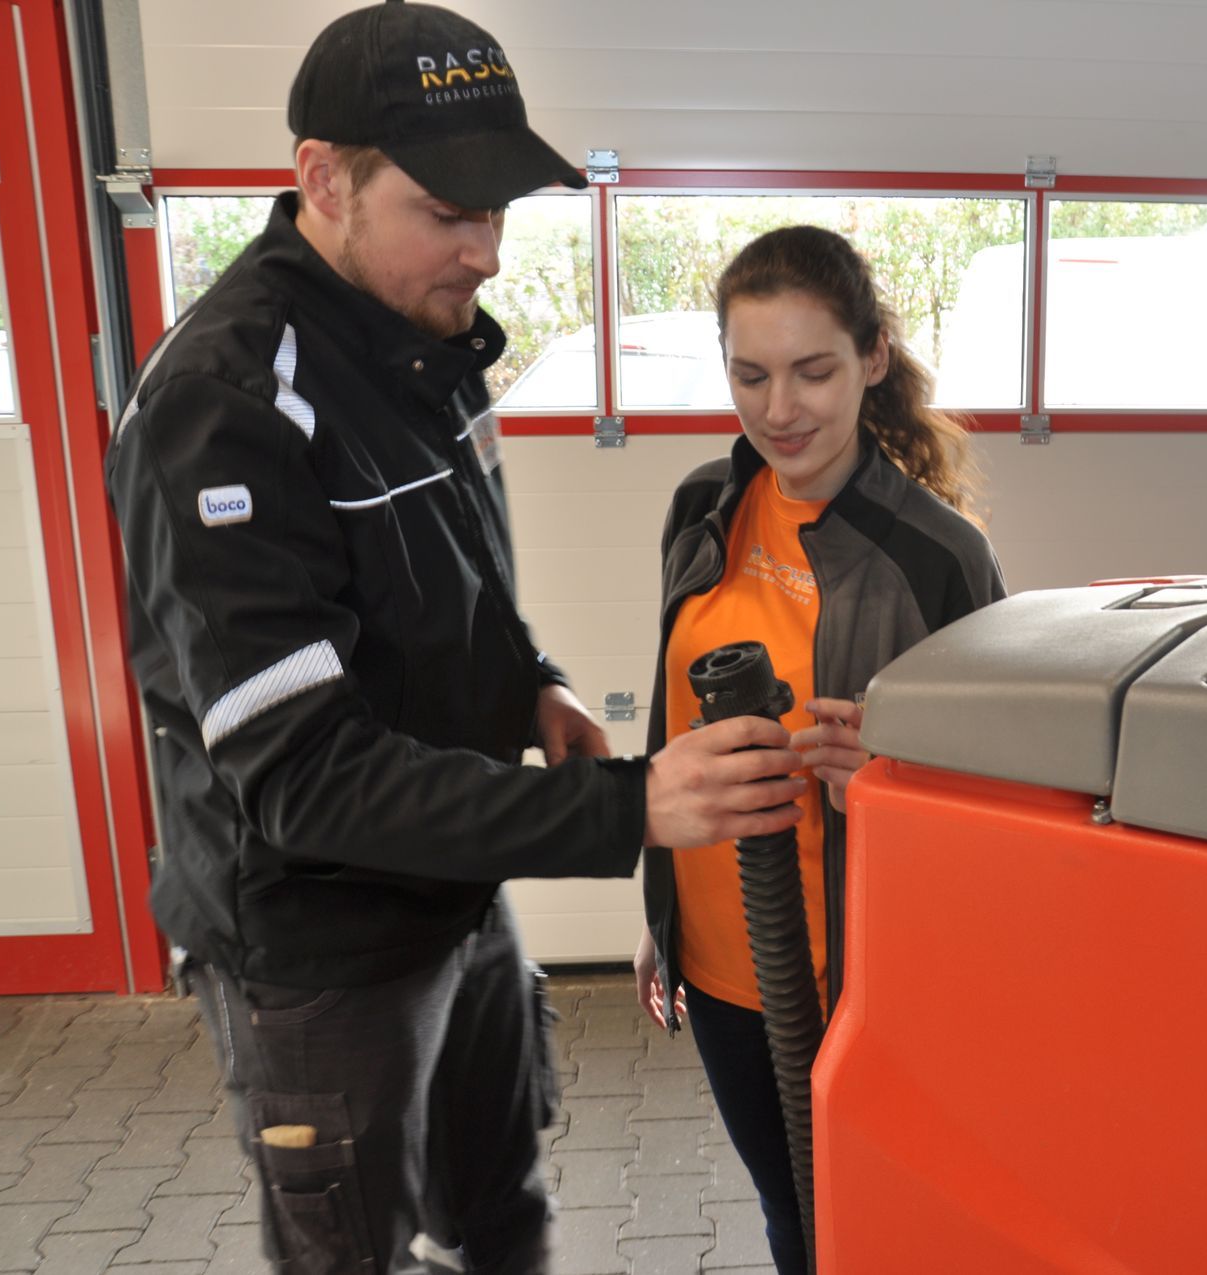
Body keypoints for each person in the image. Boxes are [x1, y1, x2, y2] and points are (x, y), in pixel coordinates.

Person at [103, 5, 806, 1272]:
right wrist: (628, 806)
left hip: (455, 901)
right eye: (448, 212)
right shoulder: (224, 412)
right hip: (322, 952)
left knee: (502, 1217)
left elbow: (451, 580)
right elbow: (306, 777)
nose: (484, 251)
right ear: (324, 177)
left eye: (497, 211)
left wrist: (528, 677)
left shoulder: (425, 344)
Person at [632, 225, 1007, 1272]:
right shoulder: (701, 504)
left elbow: (1005, 796)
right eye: (749, 374)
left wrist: (889, 781)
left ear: (872, 357)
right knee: (788, 1215)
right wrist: (659, 906)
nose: (779, 409)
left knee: (864, 1228)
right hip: (716, 956)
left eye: (812, 371)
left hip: (855, 973)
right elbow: (672, 723)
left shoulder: (939, 558)